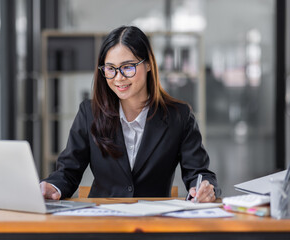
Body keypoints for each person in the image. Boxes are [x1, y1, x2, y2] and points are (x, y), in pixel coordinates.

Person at [40, 25, 221, 202]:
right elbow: (68, 171)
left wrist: (205, 188)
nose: (119, 78)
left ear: (149, 64)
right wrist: (52, 187)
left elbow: (199, 173)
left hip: (153, 222)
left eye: (128, 67)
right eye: (110, 68)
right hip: (103, 221)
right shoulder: (90, 113)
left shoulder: (179, 117)